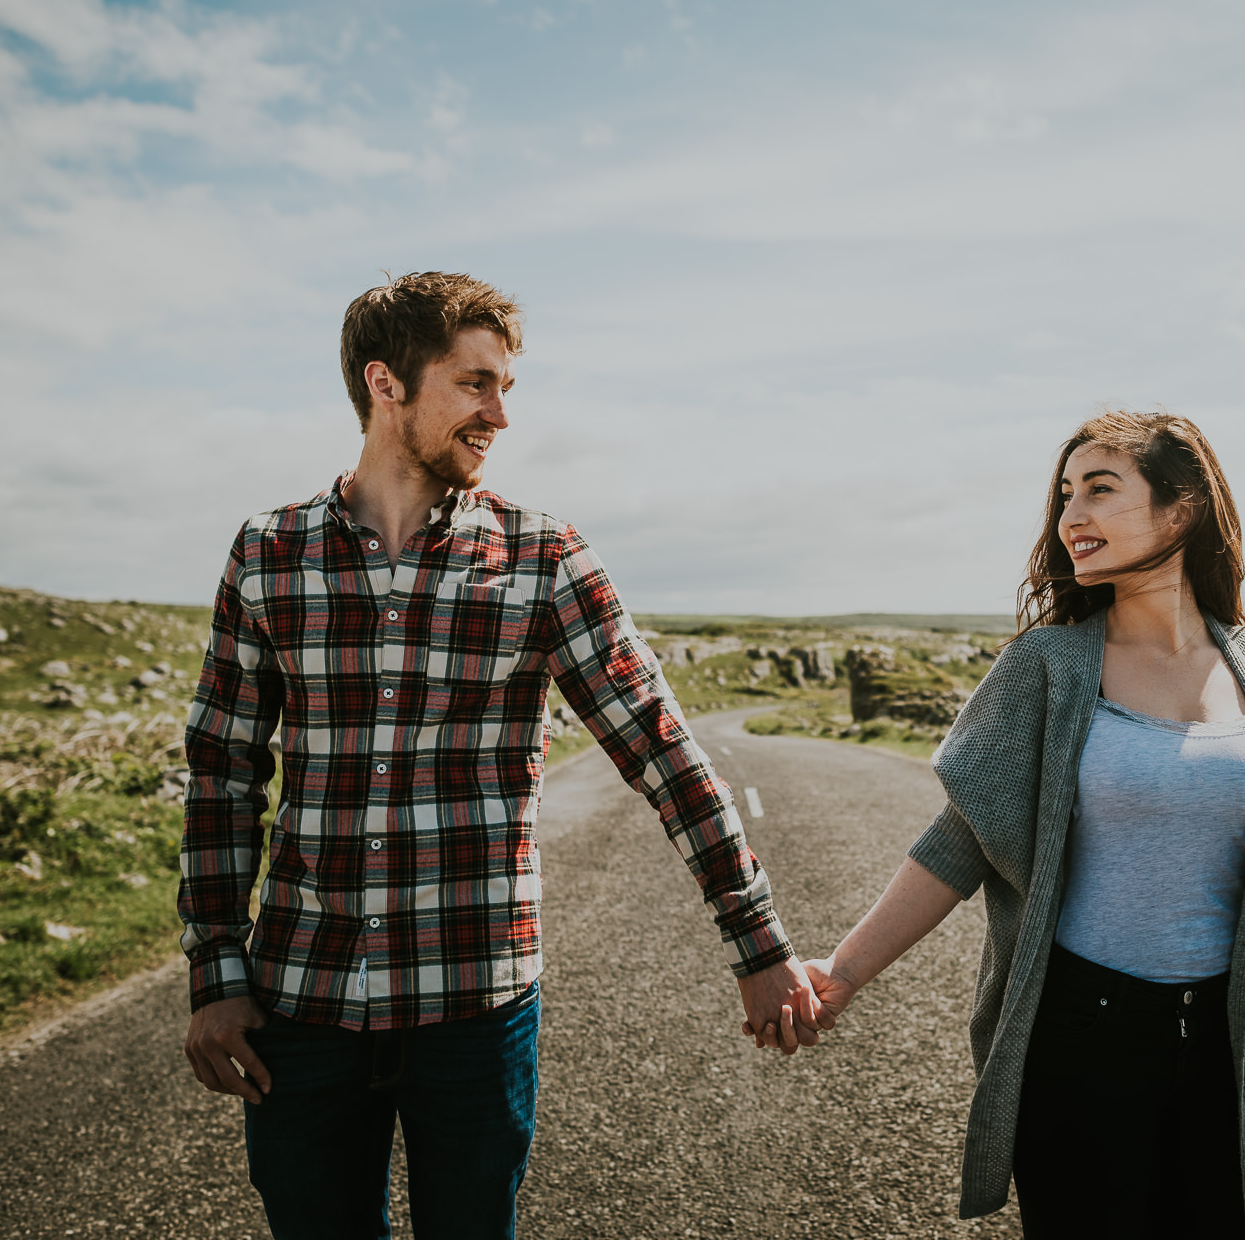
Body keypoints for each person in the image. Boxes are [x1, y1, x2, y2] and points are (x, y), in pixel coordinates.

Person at [175, 272, 824, 1240]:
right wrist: (214, 972)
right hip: (300, 1007)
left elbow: (661, 750)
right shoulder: (268, 554)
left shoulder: (542, 557)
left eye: (506, 387)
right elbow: (223, 772)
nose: (501, 414)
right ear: (385, 383)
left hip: (475, 1013)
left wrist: (758, 943)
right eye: (477, 384)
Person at [800, 410, 1245, 1238]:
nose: (1070, 519)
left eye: (1100, 490)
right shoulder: (1045, 667)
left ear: (1182, 509)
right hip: (1081, 1035)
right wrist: (841, 975)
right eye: (1064, 496)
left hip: (1233, 1041)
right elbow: (959, 842)